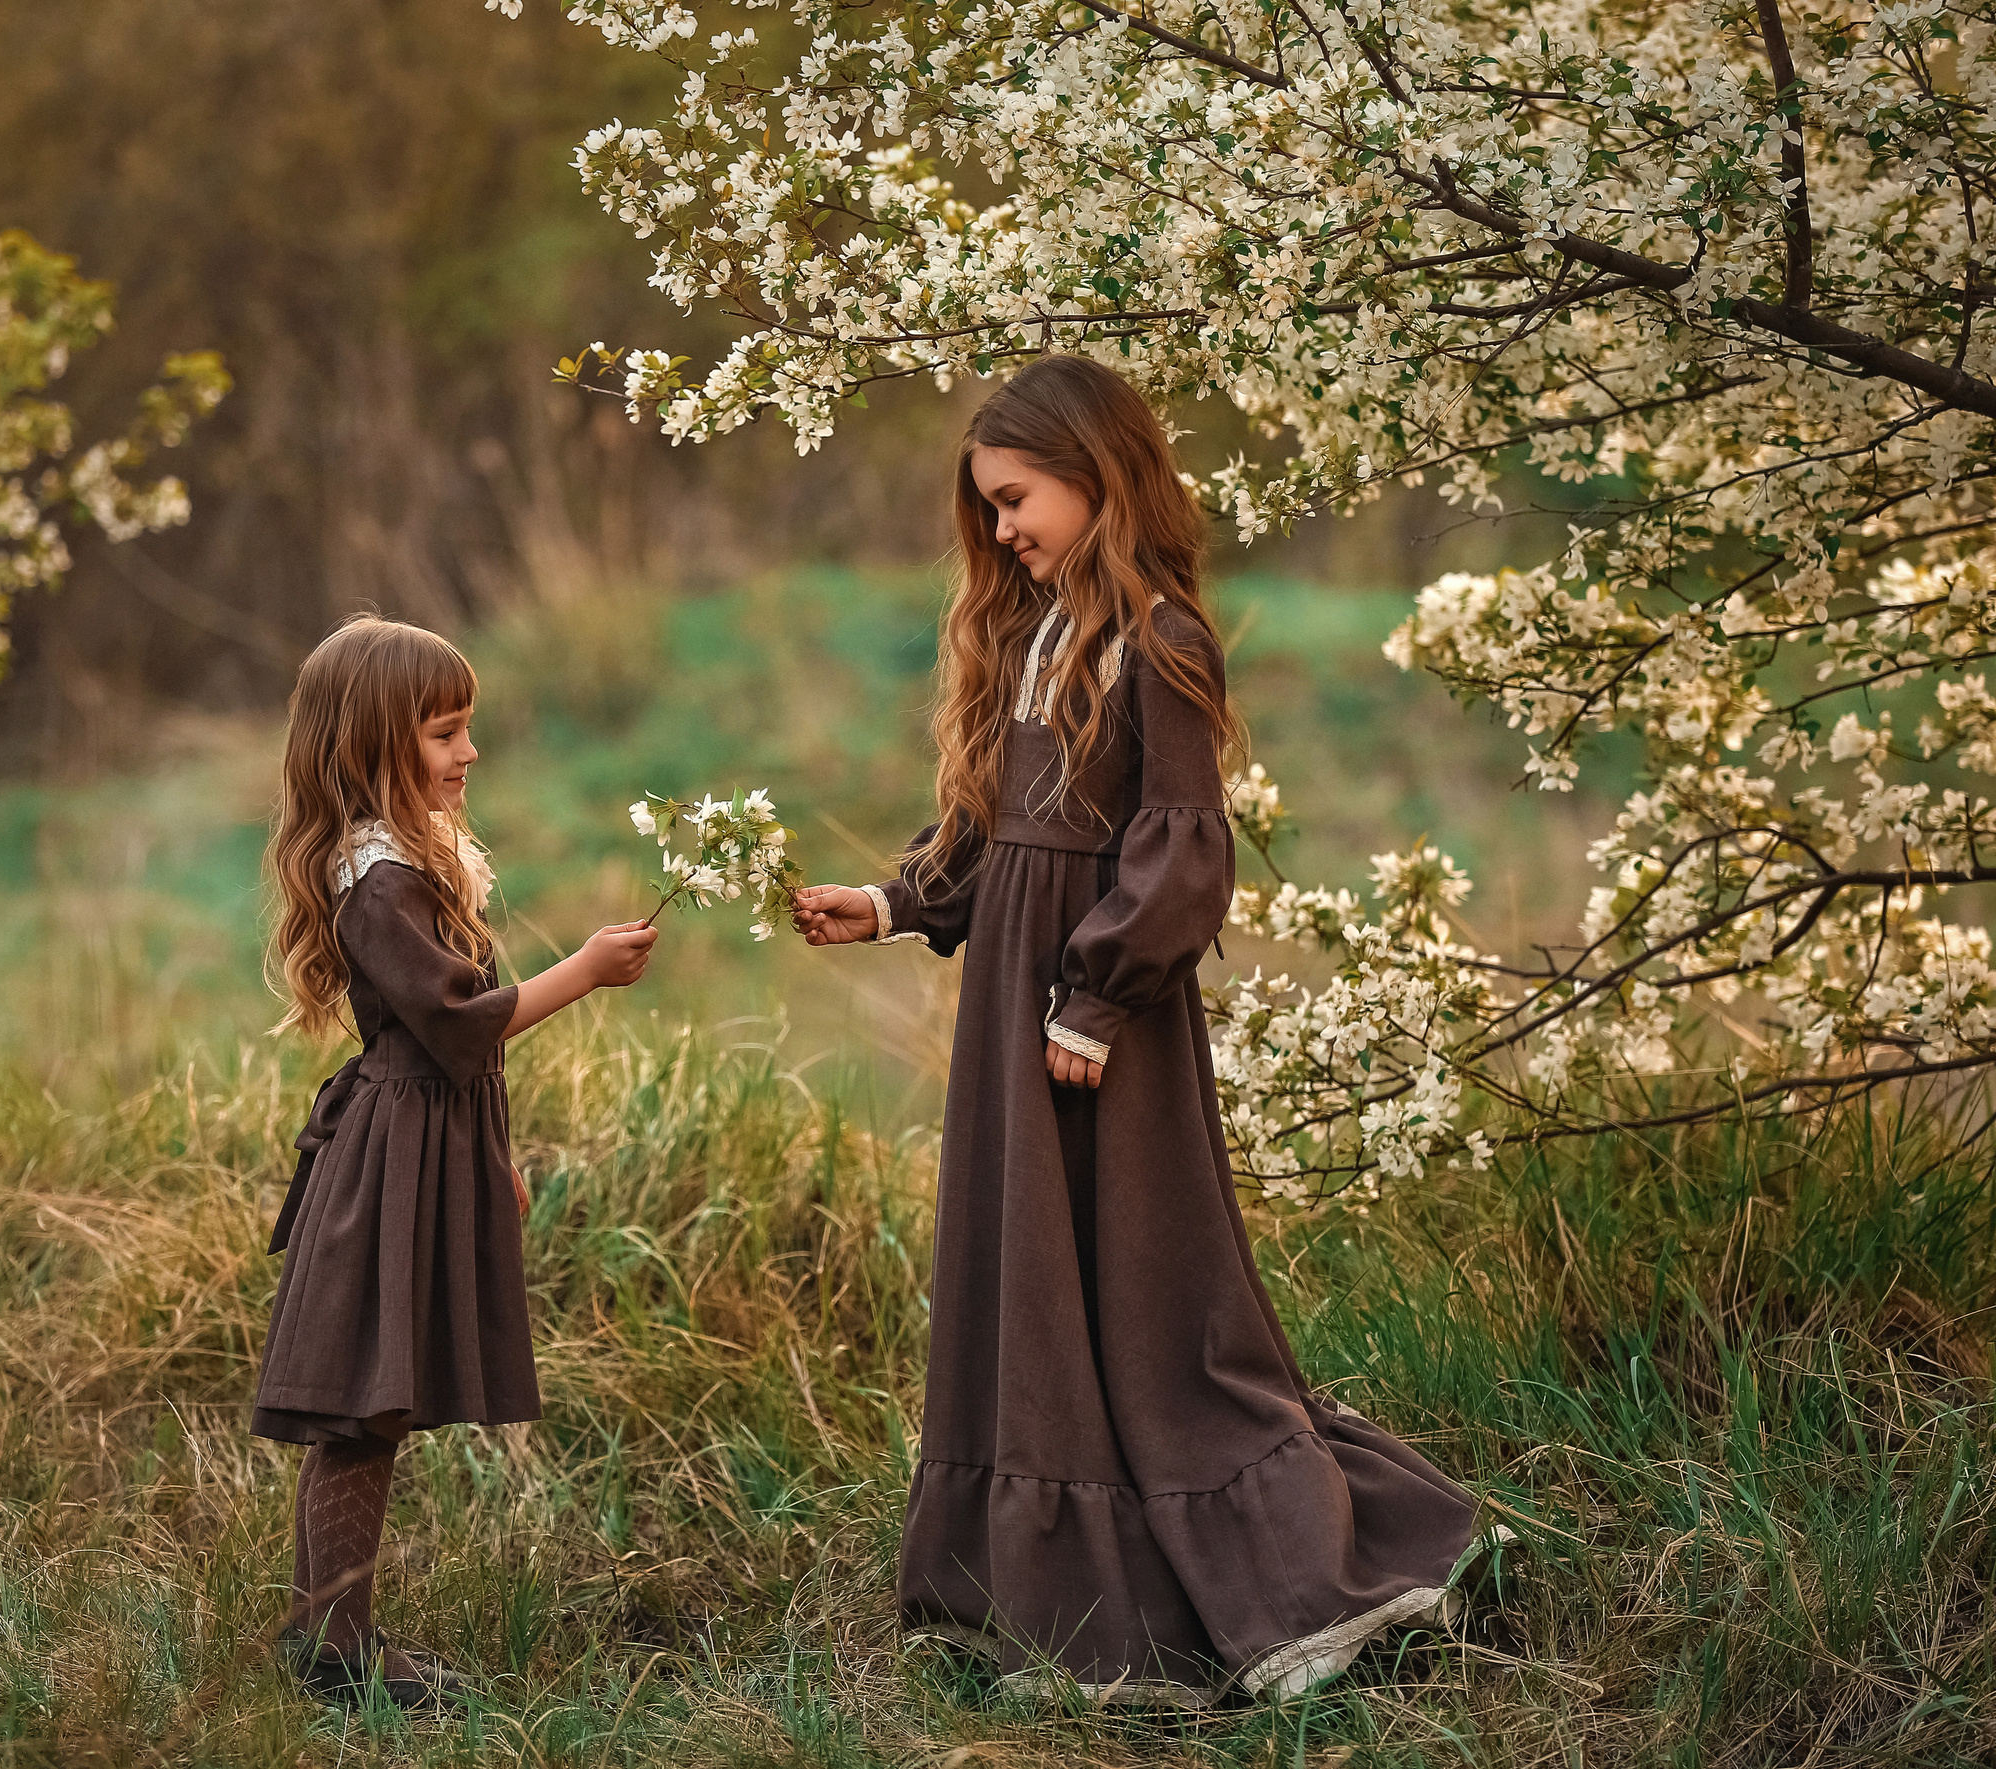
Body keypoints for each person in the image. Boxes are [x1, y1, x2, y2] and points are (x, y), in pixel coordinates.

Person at [792, 356, 1492, 1705]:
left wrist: (1098, 998)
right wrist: (886, 902)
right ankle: (1047, 1594)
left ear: (1097, 474)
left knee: (1147, 1294)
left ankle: (1281, 1567)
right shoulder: (1031, 637)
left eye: (1017, 499)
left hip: (1095, 1030)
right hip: (1017, 1010)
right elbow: (1004, 840)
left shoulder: (1158, 636)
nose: (1002, 531)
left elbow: (1183, 852)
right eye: (989, 509)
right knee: (1035, 1284)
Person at [255, 615, 657, 1709]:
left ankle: (328, 1635)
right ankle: (331, 1647)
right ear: (375, 742)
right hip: (391, 1156)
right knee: (361, 1404)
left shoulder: (413, 859)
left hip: (433, 1148)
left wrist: (499, 1162)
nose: (468, 751)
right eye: (444, 731)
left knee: (375, 1403)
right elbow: (462, 1026)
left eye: (467, 727)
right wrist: (584, 967)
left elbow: (456, 1049)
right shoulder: (377, 881)